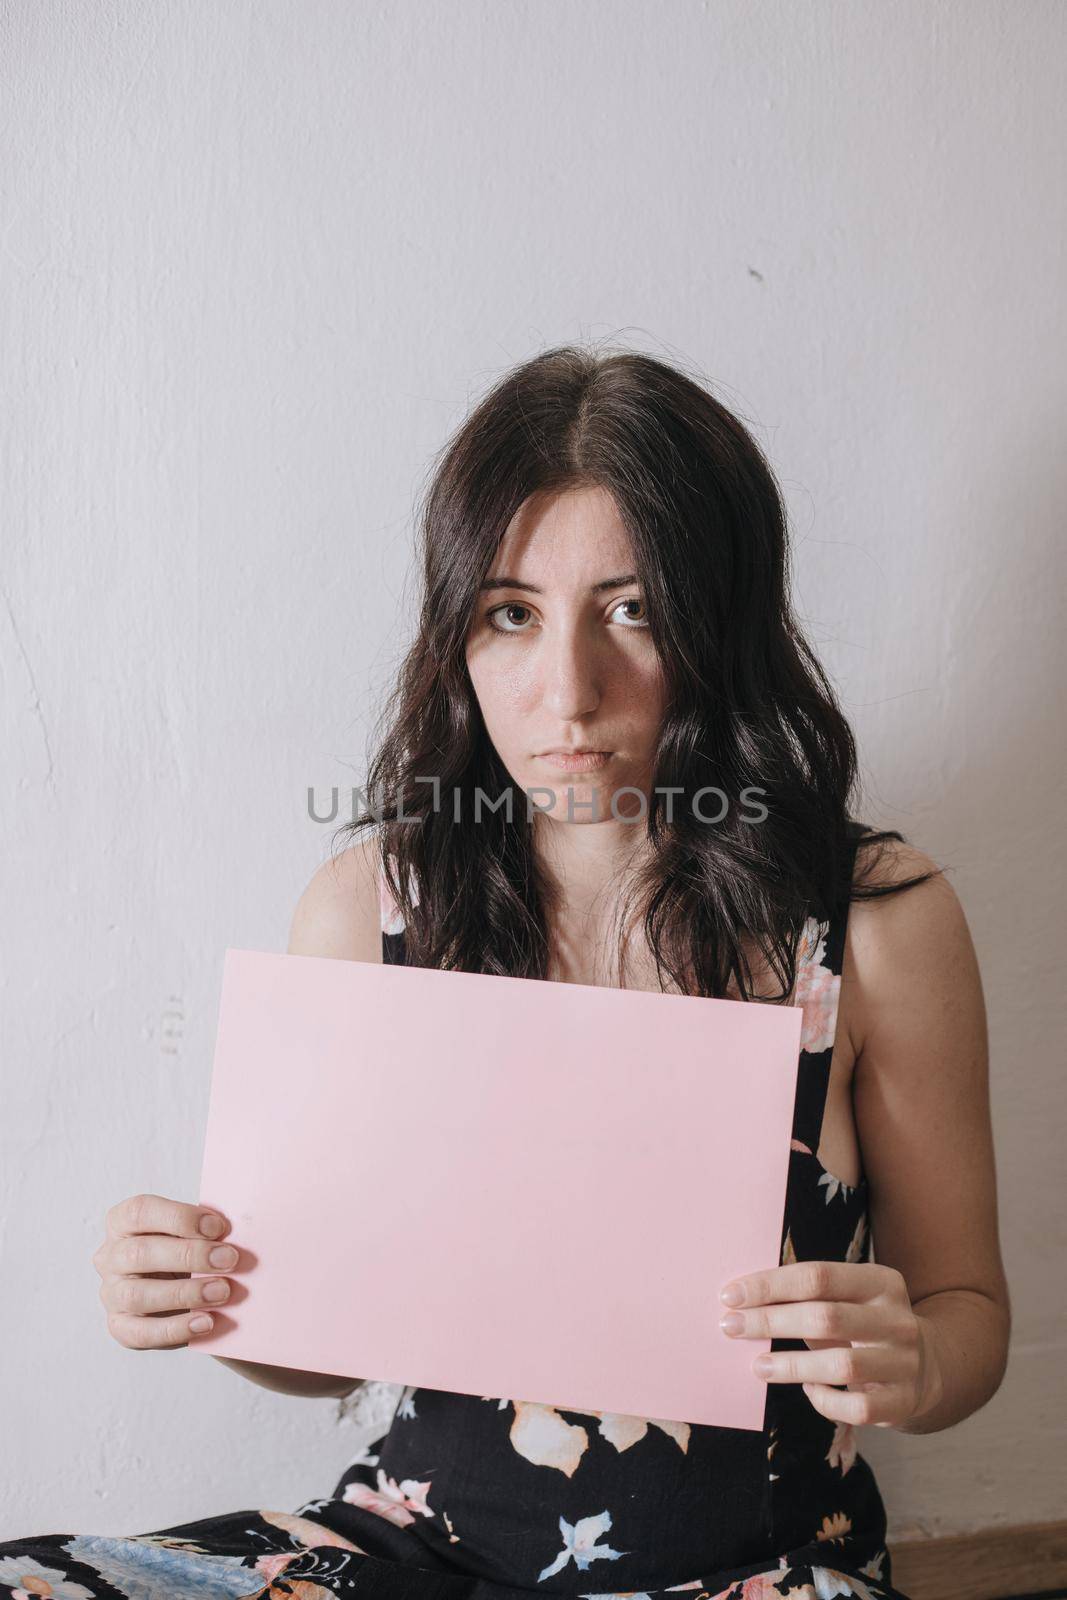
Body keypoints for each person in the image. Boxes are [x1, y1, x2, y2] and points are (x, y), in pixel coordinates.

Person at [0, 346, 1010, 1600]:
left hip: (758, 1570)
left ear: (720, 616)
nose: (565, 692)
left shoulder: (865, 924)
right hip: (415, 1554)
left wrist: (912, 1360)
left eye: (632, 610)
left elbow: (967, 1308)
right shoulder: (374, 907)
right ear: (457, 633)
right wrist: (206, 1297)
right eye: (511, 614)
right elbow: (320, 1352)